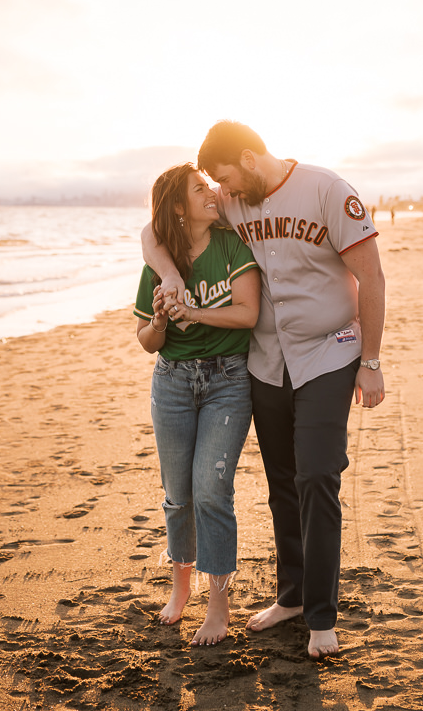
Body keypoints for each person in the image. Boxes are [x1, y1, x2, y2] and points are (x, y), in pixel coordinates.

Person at [142, 122, 386, 659]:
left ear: (249, 160)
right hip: (268, 361)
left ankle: (322, 616)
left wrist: (371, 361)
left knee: (317, 476)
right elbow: (155, 231)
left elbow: (372, 276)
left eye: (225, 177)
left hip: (329, 352)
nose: (220, 190)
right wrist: (170, 276)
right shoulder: (232, 202)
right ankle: (292, 597)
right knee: (282, 484)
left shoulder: (327, 190)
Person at [134, 163, 261, 646]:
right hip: (172, 382)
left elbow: (248, 313)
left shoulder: (230, 244)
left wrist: (193, 311)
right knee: (178, 493)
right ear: (179, 207)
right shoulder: (160, 261)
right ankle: (180, 588)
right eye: (199, 188)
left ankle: (218, 606)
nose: (211, 192)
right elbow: (146, 340)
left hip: (228, 380)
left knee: (211, 490)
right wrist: (161, 320)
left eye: (210, 184)